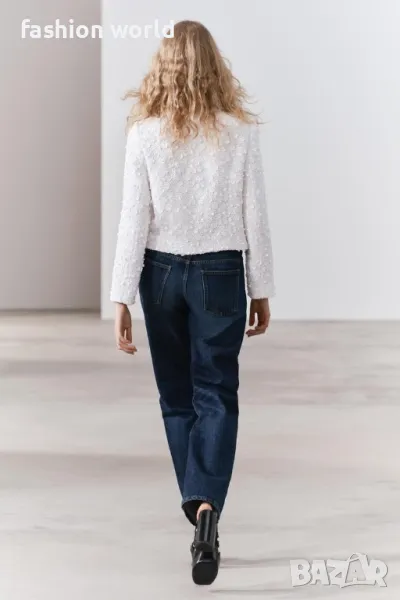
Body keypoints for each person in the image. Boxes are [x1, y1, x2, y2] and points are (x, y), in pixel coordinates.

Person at [110, 20, 275, 586]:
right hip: (221, 273)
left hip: (159, 274)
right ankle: (206, 507)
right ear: (214, 65)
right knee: (217, 393)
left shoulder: (144, 134)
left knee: (177, 397)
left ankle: (197, 503)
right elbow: (256, 214)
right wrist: (261, 287)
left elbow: (134, 219)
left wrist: (121, 296)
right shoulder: (240, 132)